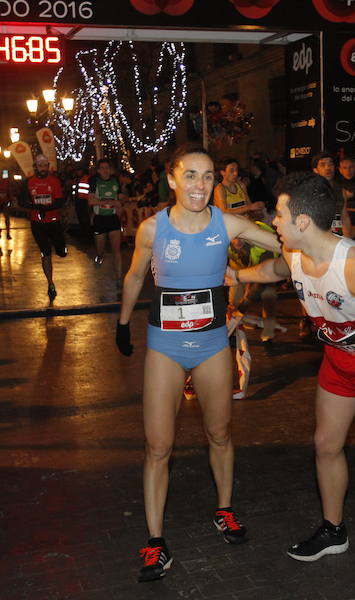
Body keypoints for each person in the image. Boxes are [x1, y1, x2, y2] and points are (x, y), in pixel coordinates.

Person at [233, 171, 355, 584]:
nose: (272, 221)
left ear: (302, 222)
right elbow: (272, 271)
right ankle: (334, 530)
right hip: (337, 356)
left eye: (278, 213)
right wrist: (236, 276)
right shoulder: (295, 254)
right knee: (325, 444)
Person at [115, 143, 280, 583]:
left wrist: (265, 271)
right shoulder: (153, 228)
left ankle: (224, 511)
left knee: (220, 432)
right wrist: (122, 323)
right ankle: (155, 542)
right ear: (172, 179)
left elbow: (288, 243)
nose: (200, 185)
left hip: (211, 346)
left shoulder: (228, 223)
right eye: (191, 175)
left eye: (208, 177)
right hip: (165, 347)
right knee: (158, 446)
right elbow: (134, 276)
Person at [21, 154, 67, 301]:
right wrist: (36, 207)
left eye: (45, 166)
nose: (42, 169)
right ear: (36, 167)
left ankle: (61, 248)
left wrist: (46, 208)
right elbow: (22, 201)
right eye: (40, 166)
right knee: (45, 252)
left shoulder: (54, 181)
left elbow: (60, 201)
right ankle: (50, 283)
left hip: (54, 221)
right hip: (38, 223)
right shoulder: (28, 182)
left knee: (61, 252)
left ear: (48, 167)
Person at [88, 158, 127, 287]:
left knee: (116, 250)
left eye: (107, 168)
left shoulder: (115, 181)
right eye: (102, 168)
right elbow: (91, 201)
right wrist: (110, 202)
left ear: (110, 170)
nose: (105, 170)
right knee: (101, 250)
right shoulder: (94, 181)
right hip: (99, 219)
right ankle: (99, 257)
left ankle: (119, 279)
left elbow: (122, 198)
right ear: (98, 170)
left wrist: (120, 202)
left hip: (112, 219)